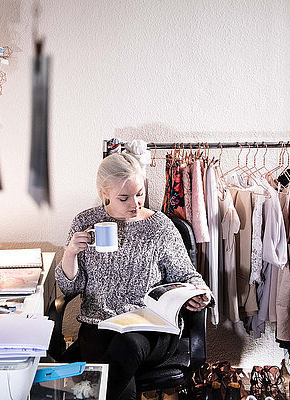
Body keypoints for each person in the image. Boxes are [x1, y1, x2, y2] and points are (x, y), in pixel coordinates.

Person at [55, 153, 211, 400]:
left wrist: (200, 294)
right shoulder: (85, 222)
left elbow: (187, 274)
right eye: (124, 198)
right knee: (111, 364)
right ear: (103, 193)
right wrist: (71, 252)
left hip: (150, 327)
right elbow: (69, 286)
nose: (135, 203)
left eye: (139, 193)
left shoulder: (159, 226)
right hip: (99, 322)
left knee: (125, 348)